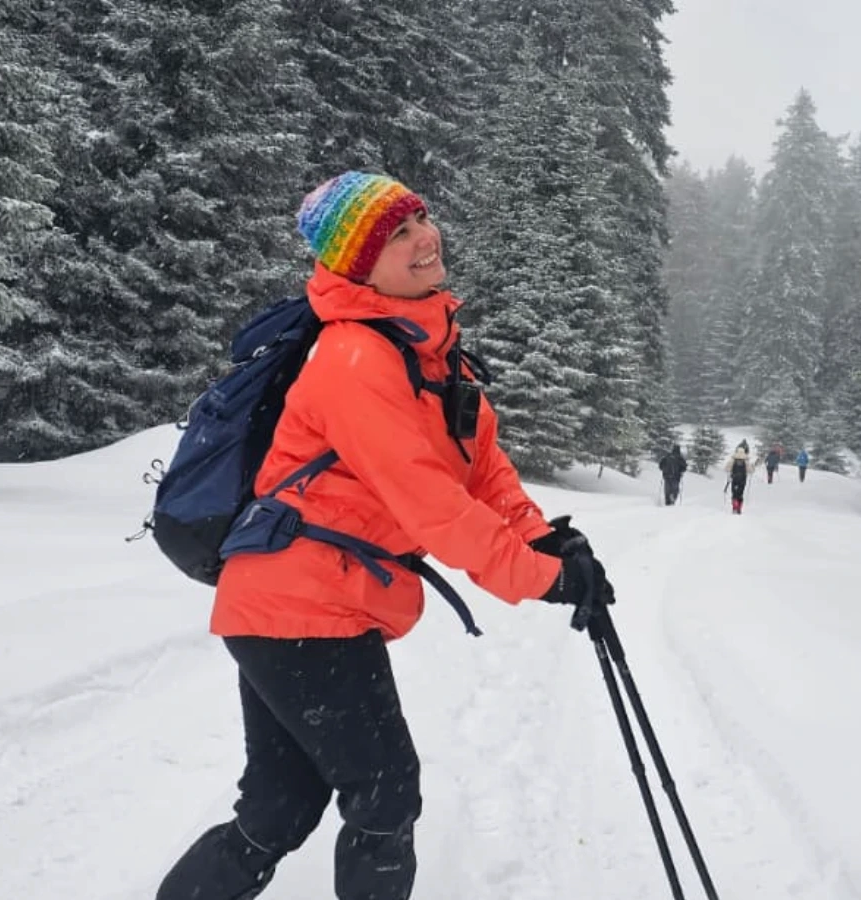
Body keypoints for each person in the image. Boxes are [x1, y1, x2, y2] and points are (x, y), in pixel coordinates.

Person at [155, 171, 615, 900]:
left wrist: (544, 540)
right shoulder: (354, 359)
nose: (423, 239)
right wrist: (542, 581)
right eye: (395, 235)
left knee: (278, 810)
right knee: (386, 796)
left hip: (292, 604)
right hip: (301, 603)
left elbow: (481, 466)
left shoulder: (431, 349)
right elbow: (429, 504)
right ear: (355, 264)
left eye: (419, 219)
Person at [724, 445, 755, 514]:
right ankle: (739, 508)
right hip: (743, 480)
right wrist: (753, 467)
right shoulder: (746, 461)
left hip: (734, 479)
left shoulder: (733, 460)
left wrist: (730, 474)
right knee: (740, 494)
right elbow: (750, 471)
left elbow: (726, 468)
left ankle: (735, 507)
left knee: (734, 493)